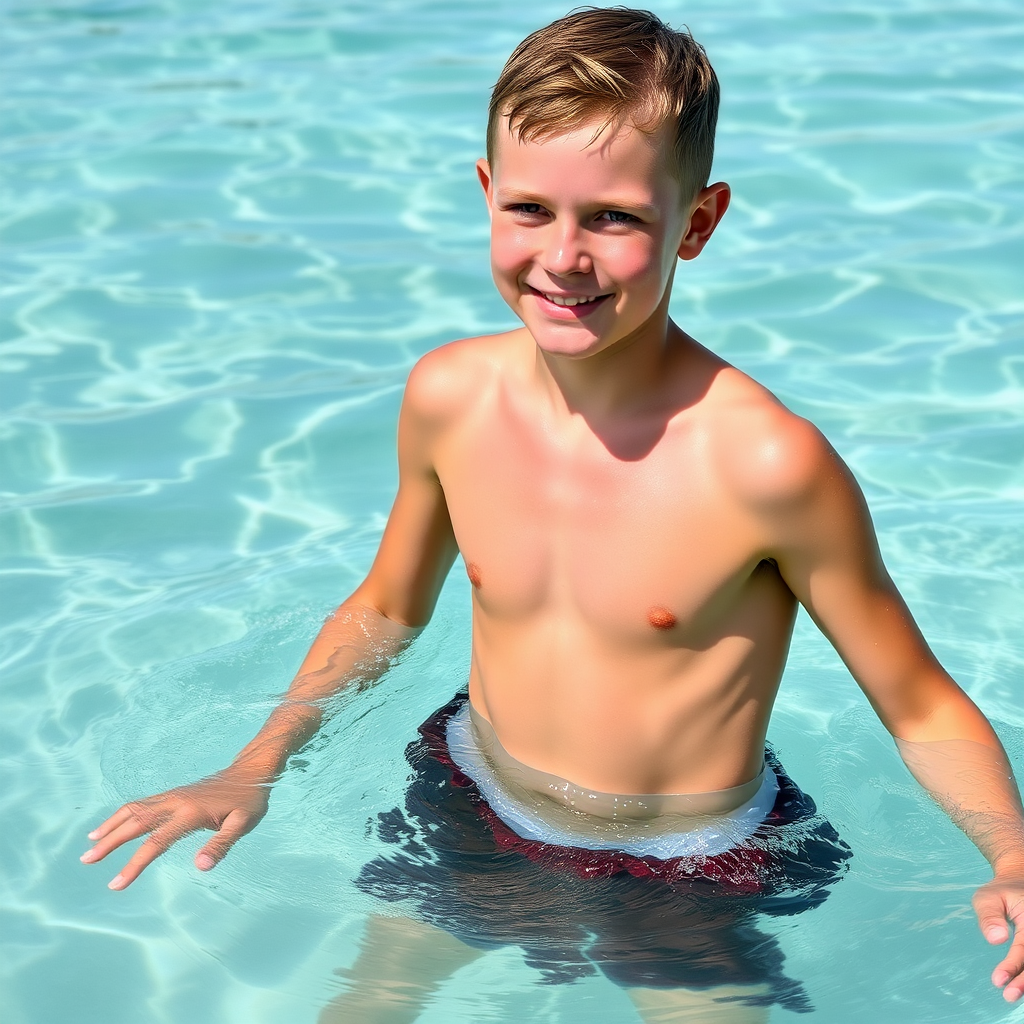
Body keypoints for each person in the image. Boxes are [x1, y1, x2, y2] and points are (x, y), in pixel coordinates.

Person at [82, 8, 1024, 1021]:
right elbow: (386, 607)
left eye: (613, 218)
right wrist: (253, 764)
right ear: (487, 195)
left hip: (688, 862)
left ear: (697, 223)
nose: (562, 257)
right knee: (365, 1005)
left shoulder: (765, 463)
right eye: (530, 210)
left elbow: (915, 699)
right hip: (475, 801)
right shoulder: (450, 399)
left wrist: (1011, 851)